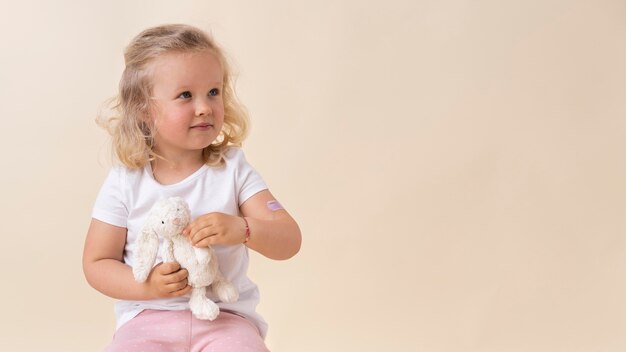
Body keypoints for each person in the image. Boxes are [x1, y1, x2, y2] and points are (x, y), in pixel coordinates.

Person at [82, 24, 301, 352]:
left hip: (225, 319)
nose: (204, 106)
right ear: (143, 108)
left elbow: (288, 239)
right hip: (147, 319)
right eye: (186, 95)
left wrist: (242, 228)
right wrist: (149, 287)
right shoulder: (126, 180)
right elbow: (97, 263)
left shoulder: (232, 170)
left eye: (213, 92)